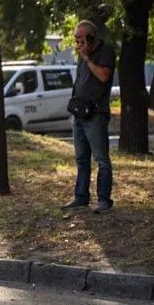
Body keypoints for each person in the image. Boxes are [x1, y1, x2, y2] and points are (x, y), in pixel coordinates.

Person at [63, 20, 115, 214]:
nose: (78, 42)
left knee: (101, 159)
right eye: (76, 39)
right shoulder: (81, 55)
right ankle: (81, 197)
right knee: (81, 159)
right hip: (79, 112)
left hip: (96, 114)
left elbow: (103, 76)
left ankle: (104, 200)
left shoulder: (105, 51)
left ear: (91, 37)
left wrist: (87, 58)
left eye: (80, 38)